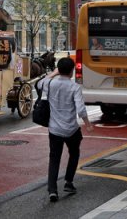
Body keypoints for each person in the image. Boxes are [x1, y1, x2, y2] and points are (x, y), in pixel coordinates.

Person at [37, 57, 94, 203]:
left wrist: (53, 73)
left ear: (58, 70)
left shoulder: (50, 83)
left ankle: (52, 190)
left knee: (54, 158)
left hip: (54, 129)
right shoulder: (74, 87)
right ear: (71, 71)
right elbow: (80, 109)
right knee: (74, 153)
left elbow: (39, 84)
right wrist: (87, 124)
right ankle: (68, 182)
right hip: (71, 129)